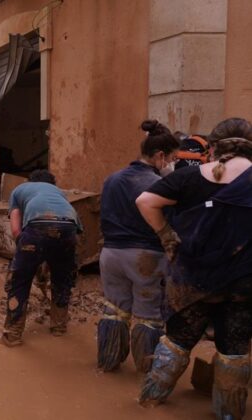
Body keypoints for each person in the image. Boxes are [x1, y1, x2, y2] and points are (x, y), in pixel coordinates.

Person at [136, 118, 252, 419]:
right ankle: (228, 414)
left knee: (176, 342)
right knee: (235, 351)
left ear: (212, 148)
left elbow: (146, 201)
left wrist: (167, 237)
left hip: (192, 281)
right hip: (242, 283)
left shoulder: (188, 178)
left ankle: (149, 402)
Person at [97, 120, 179, 373]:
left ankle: (108, 364)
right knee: (148, 315)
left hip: (110, 255)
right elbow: (170, 221)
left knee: (114, 310)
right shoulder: (158, 185)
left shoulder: (112, 179)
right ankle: (146, 372)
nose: (171, 165)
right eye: (171, 159)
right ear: (160, 156)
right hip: (146, 257)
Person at [0, 170, 82, 347]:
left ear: (30, 181)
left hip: (37, 227)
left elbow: (16, 230)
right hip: (68, 229)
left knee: (19, 281)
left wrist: (25, 255)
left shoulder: (20, 189)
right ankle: (59, 328)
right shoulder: (59, 193)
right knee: (62, 279)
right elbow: (75, 233)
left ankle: (12, 335)